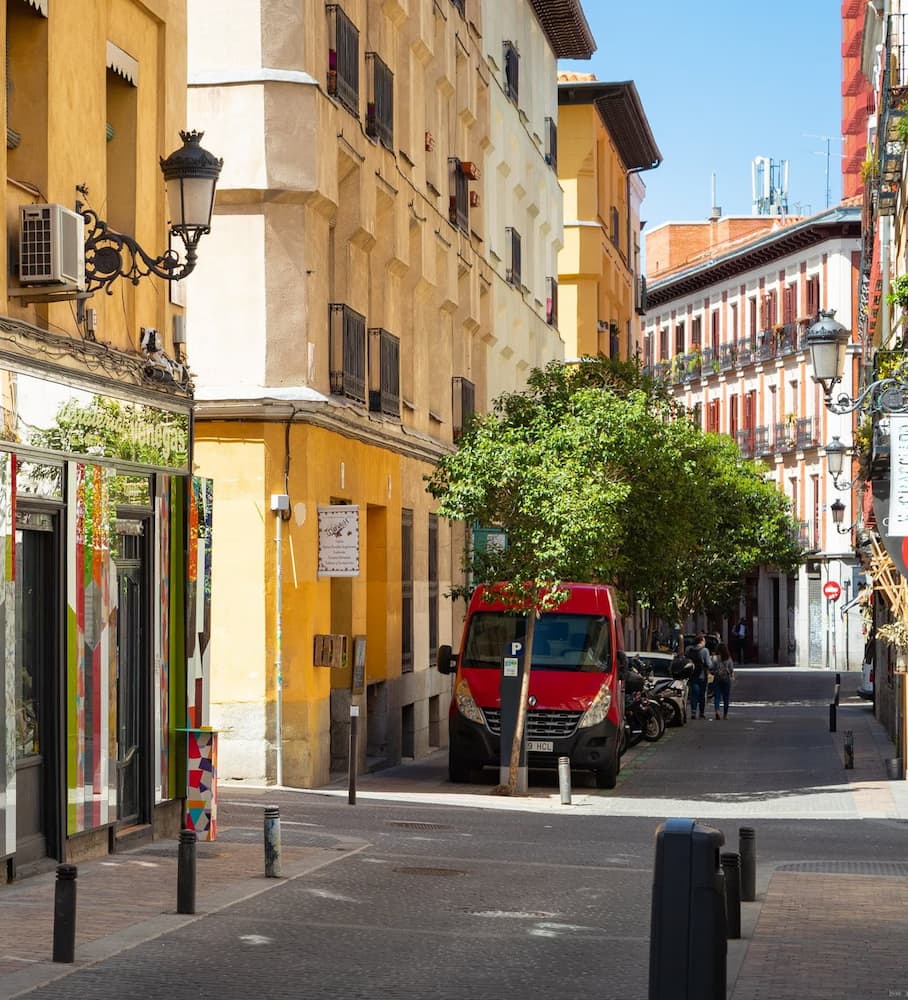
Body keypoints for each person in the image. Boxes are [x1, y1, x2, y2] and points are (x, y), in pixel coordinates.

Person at [685, 633, 712, 719]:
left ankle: (693, 712)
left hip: (692, 674)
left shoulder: (689, 649)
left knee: (694, 694)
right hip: (702, 675)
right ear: (701, 641)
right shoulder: (705, 651)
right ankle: (701, 712)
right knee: (702, 694)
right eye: (704, 640)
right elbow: (709, 664)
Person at [711, 642, 735, 719]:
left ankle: (717, 711)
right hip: (726, 678)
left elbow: (711, 668)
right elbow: (731, 669)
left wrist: (713, 672)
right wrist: (731, 675)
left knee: (717, 696)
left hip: (717, 678)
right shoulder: (728, 658)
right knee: (726, 697)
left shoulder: (715, 658)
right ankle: (725, 714)